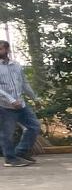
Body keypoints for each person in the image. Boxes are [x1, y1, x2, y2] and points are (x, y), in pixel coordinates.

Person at [0, 39, 41, 167]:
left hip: (21, 105)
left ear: (7, 50)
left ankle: (21, 152)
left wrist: (35, 98)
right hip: (5, 106)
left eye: (0, 49)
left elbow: (24, 83)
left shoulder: (16, 65)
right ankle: (10, 159)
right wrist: (11, 100)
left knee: (34, 126)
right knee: (7, 134)